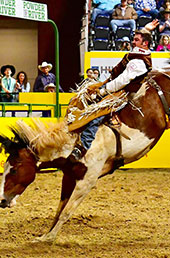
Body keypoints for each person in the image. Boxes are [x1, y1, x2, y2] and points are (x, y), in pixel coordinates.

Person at [68, 20, 159, 162]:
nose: (133, 42)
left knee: (97, 112)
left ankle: (83, 146)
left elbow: (123, 80)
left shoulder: (139, 62)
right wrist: (146, 29)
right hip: (118, 88)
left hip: (123, 94)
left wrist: (103, 91)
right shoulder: (140, 53)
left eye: (136, 40)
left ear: (144, 43)